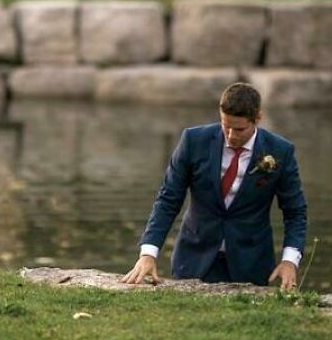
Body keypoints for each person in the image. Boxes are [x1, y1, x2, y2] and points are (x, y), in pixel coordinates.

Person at [122, 81, 307, 288]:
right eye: (225, 126)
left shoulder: (280, 151)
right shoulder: (193, 141)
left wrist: (290, 260)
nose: (230, 136)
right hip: (194, 258)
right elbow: (168, 199)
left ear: (258, 119)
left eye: (239, 129)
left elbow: (295, 211)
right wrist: (148, 253)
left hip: (252, 261)